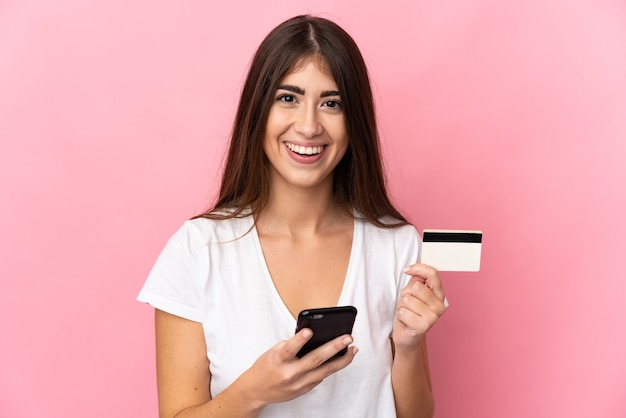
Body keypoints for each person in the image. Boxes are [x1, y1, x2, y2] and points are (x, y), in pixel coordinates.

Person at [138, 14, 447, 418]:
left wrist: (406, 348)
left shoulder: (396, 245)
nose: (308, 125)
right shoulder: (198, 250)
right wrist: (254, 391)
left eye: (331, 103)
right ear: (258, 110)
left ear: (355, 121)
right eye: (288, 98)